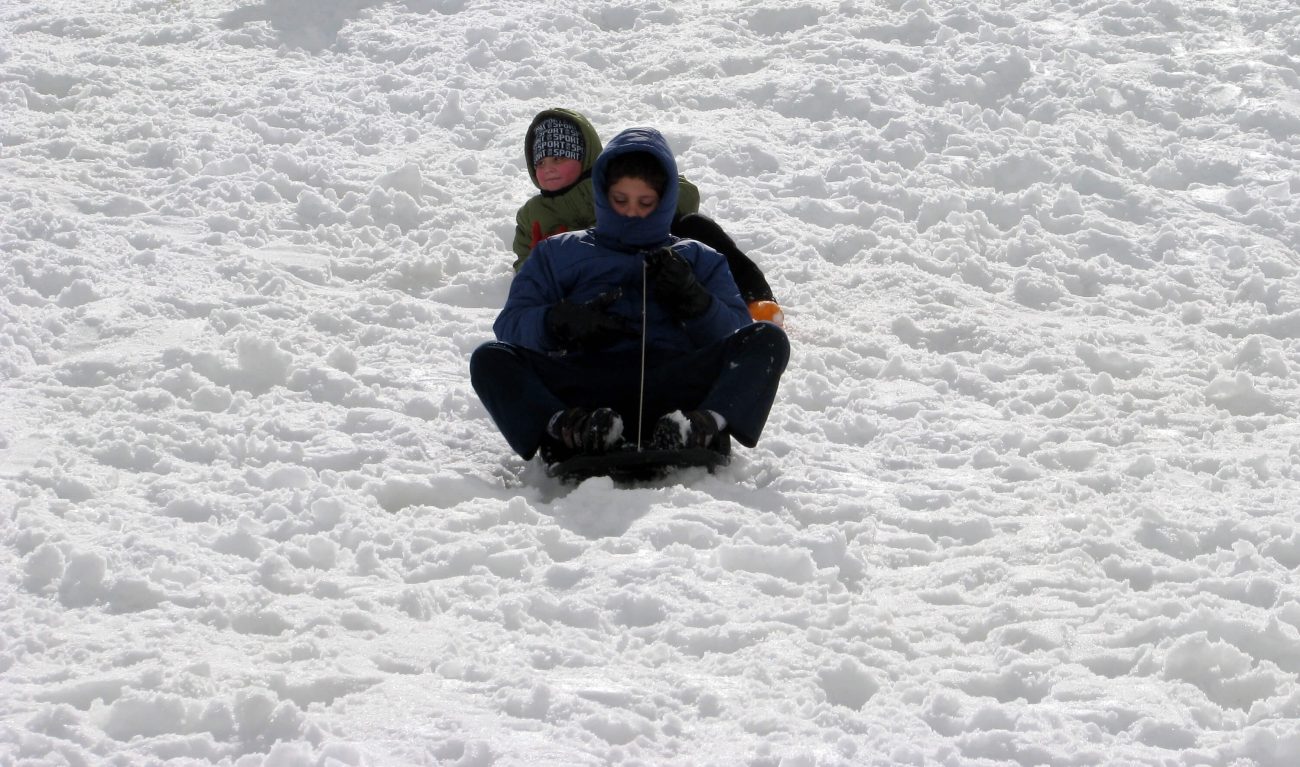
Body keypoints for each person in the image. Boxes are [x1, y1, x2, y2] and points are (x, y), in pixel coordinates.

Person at [473, 127, 789, 465]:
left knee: (768, 339)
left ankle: (700, 426)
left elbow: (737, 335)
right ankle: (571, 428)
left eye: (645, 202)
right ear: (602, 195)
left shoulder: (699, 257)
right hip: (586, 384)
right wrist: (558, 321)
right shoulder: (557, 253)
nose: (632, 212)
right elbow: (510, 324)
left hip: (675, 384)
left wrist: (696, 303)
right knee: (490, 358)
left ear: (664, 200)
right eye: (620, 200)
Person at [511, 108, 783, 325]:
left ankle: (755, 298)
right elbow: (524, 267)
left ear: (586, 157)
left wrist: (644, 205)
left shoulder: (613, 178)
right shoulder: (533, 215)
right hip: (597, 288)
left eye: (559, 159)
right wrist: (539, 259)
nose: (549, 169)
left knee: (696, 227)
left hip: (656, 260)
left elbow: (685, 192)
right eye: (540, 163)